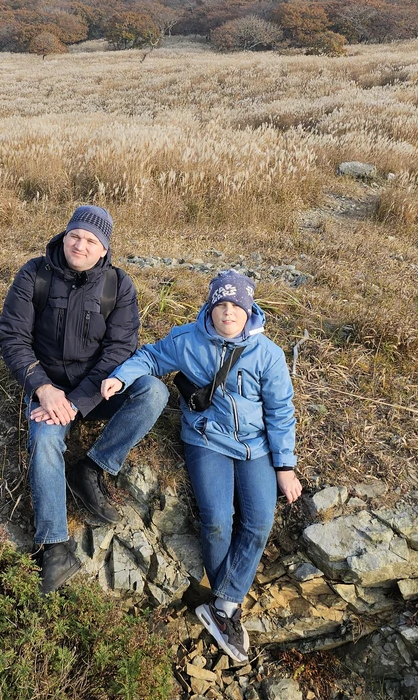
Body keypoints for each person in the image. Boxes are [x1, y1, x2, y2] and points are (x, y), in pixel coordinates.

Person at [101, 269, 301, 663]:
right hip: (207, 439)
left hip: (255, 447)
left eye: (236, 307)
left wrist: (285, 465)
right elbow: (150, 357)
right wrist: (121, 379)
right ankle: (227, 608)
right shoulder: (187, 340)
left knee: (259, 522)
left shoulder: (269, 355)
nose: (228, 313)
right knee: (216, 519)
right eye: (221, 305)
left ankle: (221, 603)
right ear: (210, 306)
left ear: (249, 310)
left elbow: (281, 413)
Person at [0, 205, 170, 594]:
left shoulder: (118, 286)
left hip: (94, 392)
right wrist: (43, 388)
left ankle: (92, 468)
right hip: (46, 390)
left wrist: (76, 403)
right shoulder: (34, 273)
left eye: (92, 240)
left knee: (154, 391)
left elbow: (120, 350)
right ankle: (55, 546)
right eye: (76, 235)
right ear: (64, 235)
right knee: (44, 441)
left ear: (104, 249)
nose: (81, 244)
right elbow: (13, 338)